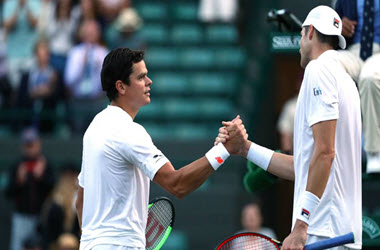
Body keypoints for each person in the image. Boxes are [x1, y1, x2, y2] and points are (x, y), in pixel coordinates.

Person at [216, 6, 362, 249]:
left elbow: (325, 153)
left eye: (301, 34)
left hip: (323, 230)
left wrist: (300, 226)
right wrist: (245, 148)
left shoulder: (318, 70)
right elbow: (304, 167)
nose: (298, 44)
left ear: (310, 32)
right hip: (338, 231)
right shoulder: (345, 80)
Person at [75, 48, 248, 249]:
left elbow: (81, 202)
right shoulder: (127, 131)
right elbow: (178, 185)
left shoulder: (94, 128)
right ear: (121, 86)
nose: (149, 82)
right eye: (141, 77)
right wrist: (224, 151)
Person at [335, 0, 380, 173]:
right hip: (353, 50)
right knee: (324, 65)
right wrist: (339, 26)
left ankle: (374, 152)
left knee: (369, 77)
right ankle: (327, 146)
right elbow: (334, 20)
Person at [5, 127, 55, 250]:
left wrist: (41, 177)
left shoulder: (45, 164)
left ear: (39, 144)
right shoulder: (17, 165)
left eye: (32, 144)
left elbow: (53, 190)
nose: (30, 148)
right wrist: (18, 181)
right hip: (21, 216)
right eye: (27, 145)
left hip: (42, 216)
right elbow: (8, 193)